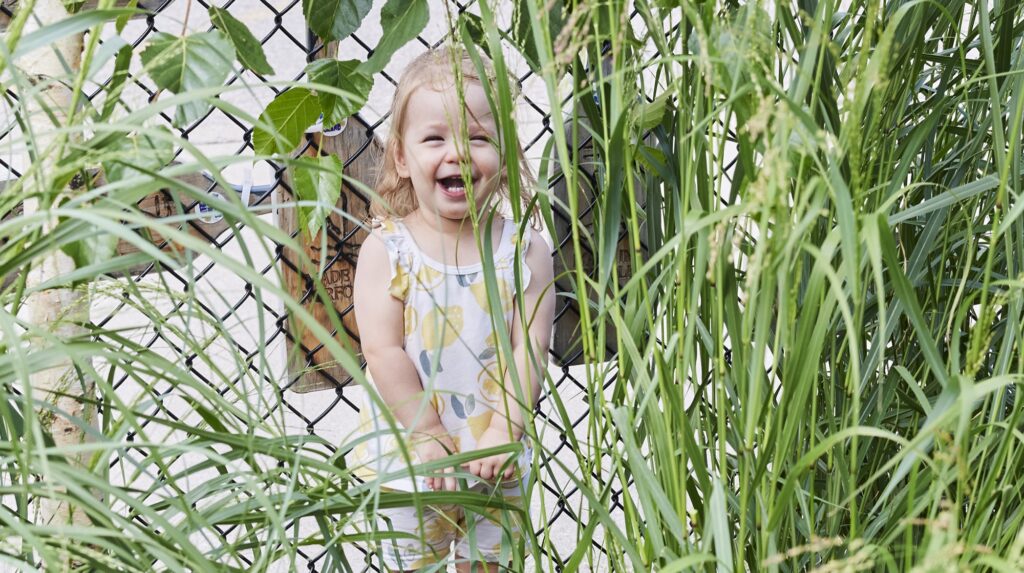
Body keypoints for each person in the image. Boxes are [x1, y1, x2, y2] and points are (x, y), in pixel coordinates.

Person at [350, 45, 555, 573]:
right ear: (400, 156)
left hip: (496, 455)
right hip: (415, 460)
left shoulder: (523, 250)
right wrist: (427, 433)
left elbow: (528, 346)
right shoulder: (388, 251)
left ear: (506, 152)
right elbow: (382, 348)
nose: (458, 153)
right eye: (435, 138)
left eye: (480, 138)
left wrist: (504, 431)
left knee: (490, 565)